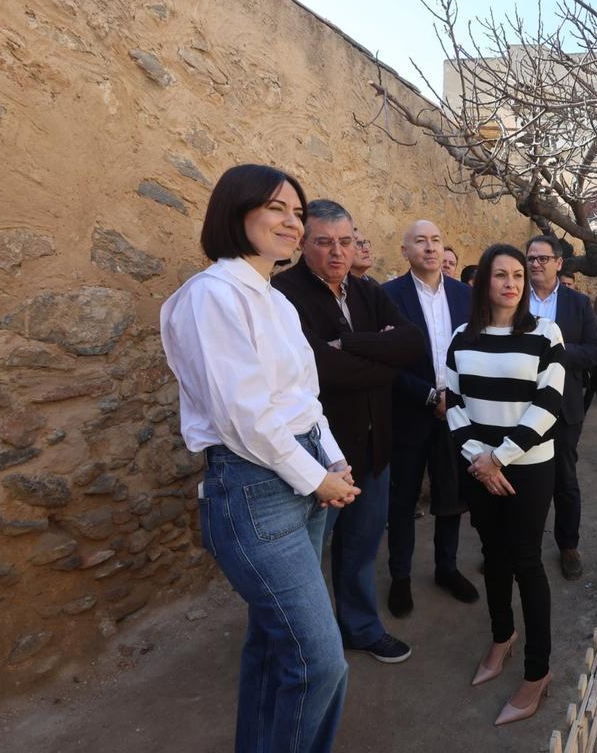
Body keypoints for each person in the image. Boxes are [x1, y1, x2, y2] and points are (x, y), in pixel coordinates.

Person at [160, 164, 359, 753]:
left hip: (303, 474)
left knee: (275, 646)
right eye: (277, 208)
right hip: (254, 483)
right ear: (236, 211)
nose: (291, 223)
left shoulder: (273, 301)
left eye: (297, 213)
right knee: (320, 662)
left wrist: (334, 463)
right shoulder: (212, 295)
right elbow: (243, 416)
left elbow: (305, 400)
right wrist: (314, 477)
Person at [273, 200, 426, 665]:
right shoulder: (284, 295)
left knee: (360, 549)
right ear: (304, 243)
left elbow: (412, 342)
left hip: (374, 450)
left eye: (345, 241)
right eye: (323, 242)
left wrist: (354, 346)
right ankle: (309, 646)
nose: (337, 252)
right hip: (319, 458)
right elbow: (322, 371)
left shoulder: (365, 291)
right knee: (307, 559)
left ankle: (359, 628)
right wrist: (382, 362)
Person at [445, 243, 564, 725]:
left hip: (529, 467)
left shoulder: (544, 333)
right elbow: (452, 403)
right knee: (492, 556)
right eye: (501, 275)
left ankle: (538, 672)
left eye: (518, 274)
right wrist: (480, 460)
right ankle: (501, 637)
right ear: (484, 283)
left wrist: (501, 458)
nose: (512, 282)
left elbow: (549, 403)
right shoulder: (461, 335)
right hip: (480, 469)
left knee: (526, 561)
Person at [382, 220, 480, 616]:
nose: (429, 247)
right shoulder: (387, 297)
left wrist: (453, 398)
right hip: (409, 412)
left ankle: (446, 568)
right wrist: (427, 394)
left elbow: (477, 351)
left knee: (450, 496)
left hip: (455, 413)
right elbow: (383, 359)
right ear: (405, 251)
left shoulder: (465, 296)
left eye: (436, 240)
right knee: (403, 499)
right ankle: (401, 577)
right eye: (420, 241)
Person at [525, 235, 597, 580]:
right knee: (519, 479)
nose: (536, 265)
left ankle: (567, 544)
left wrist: (554, 353)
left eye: (543, 259)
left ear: (559, 263)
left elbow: (595, 351)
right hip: (517, 404)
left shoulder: (578, 304)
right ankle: (516, 544)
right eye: (531, 259)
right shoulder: (512, 299)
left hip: (562, 405)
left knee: (564, 479)